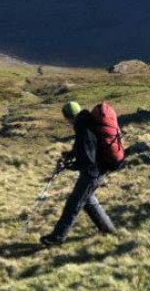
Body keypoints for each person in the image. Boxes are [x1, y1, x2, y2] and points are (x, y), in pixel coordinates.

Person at [40, 101, 116, 246]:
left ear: (68, 116)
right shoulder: (86, 123)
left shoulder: (83, 129)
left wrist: (69, 166)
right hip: (100, 170)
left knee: (73, 204)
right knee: (88, 201)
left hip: (92, 173)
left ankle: (57, 238)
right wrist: (69, 155)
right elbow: (85, 150)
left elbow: (87, 160)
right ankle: (108, 229)